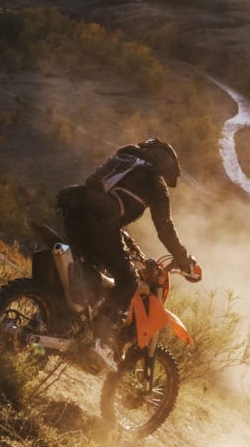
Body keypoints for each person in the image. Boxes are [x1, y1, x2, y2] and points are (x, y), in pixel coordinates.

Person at [57, 138, 196, 344]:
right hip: (101, 224)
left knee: (89, 269)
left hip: (74, 211)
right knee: (128, 280)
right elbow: (165, 228)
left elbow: (107, 201)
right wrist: (184, 259)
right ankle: (101, 341)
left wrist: (128, 243)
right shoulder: (154, 181)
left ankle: (64, 321)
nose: (166, 181)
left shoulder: (123, 159)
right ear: (166, 166)